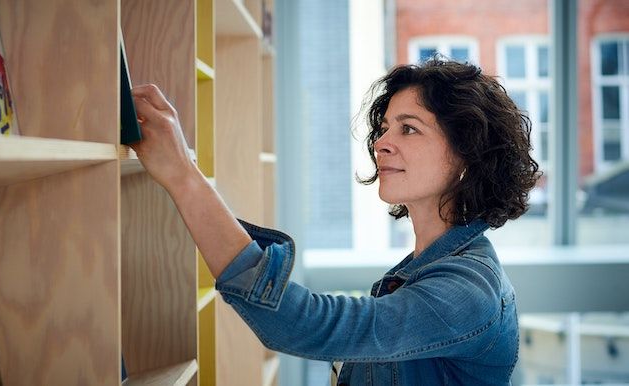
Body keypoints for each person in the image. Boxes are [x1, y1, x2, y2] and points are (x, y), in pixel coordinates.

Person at [130, 58, 541, 386]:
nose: (381, 142)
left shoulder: (467, 292)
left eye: (409, 129)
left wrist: (184, 175)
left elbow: (302, 323)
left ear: (467, 156)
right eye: (383, 129)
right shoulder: (422, 270)